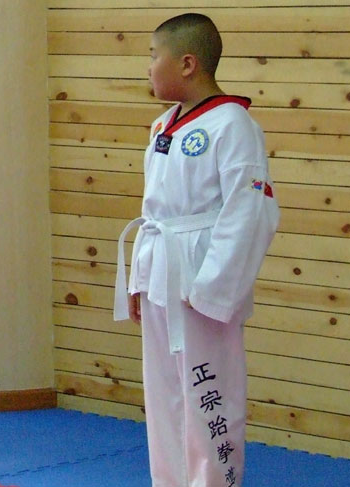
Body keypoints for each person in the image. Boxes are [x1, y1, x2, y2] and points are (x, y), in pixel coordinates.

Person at [113, 13, 279, 487]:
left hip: (201, 277)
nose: (148, 67)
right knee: (165, 395)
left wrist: (213, 286)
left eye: (153, 56)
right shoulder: (164, 124)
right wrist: (139, 280)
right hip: (162, 270)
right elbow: (156, 212)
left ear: (187, 63)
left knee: (209, 392)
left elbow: (250, 211)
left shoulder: (233, 124)